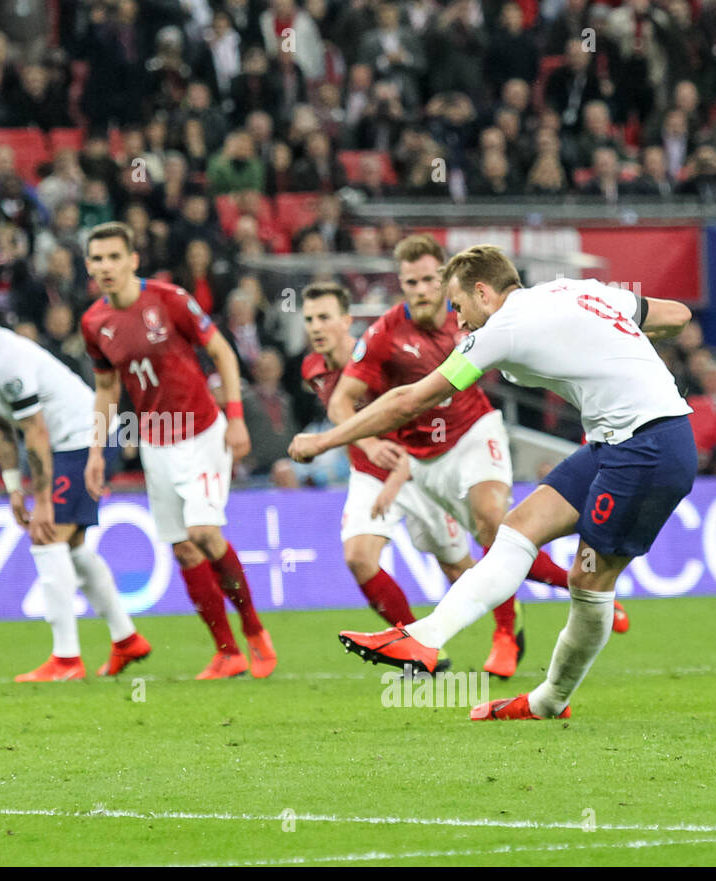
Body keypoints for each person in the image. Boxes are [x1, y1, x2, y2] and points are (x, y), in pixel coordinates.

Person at [291, 246, 695, 721]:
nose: (458, 322)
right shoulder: (577, 290)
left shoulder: (500, 330)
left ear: (483, 292)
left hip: (649, 449)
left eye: (459, 307)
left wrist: (325, 441)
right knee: (518, 527)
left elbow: (409, 402)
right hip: (618, 441)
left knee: (588, 579)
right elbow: (678, 315)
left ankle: (547, 701)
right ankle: (425, 639)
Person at [323, 235, 629, 677]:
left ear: (445, 279)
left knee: (491, 522)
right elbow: (341, 400)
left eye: (430, 278)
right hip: (422, 460)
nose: (422, 289)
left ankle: (505, 635)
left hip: (474, 432)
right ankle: (572, 589)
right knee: (459, 561)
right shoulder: (384, 334)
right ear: (402, 284)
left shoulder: (468, 317)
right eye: (411, 282)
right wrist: (369, 445)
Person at [81, 222, 275, 680]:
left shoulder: (170, 299)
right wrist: (95, 451)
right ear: (89, 266)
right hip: (155, 442)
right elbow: (107, 388)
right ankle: (226, 653)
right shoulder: (94, 323)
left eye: (114, 256)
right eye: (97, 259)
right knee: (185, 551)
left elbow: (223, 353)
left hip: (203, 433)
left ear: (133, 260)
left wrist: (237, 418)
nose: (105, 266)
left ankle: (254, 631)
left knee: (205, 532)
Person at [0, 279, 148, 682]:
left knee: (46, 535)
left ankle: (66, 660)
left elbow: (35, 432)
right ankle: (125, 638)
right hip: (68, 443)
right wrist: (13, 485)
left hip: (87, 439)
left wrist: (43, 500)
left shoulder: (7, 358)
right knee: (73, 545)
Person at [299, 280, 474, 645]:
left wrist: (398, 475)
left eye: (324, 317)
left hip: (417, 466)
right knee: (359, 557)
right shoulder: (312, 369)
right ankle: (413, 644)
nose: (316, 326)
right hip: (368, 473)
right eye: (309, 319)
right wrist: (369, 448)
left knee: (458, 567)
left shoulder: (381, 359)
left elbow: (417, 416)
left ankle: (509, 624)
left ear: (347, 321)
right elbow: (344, 416)